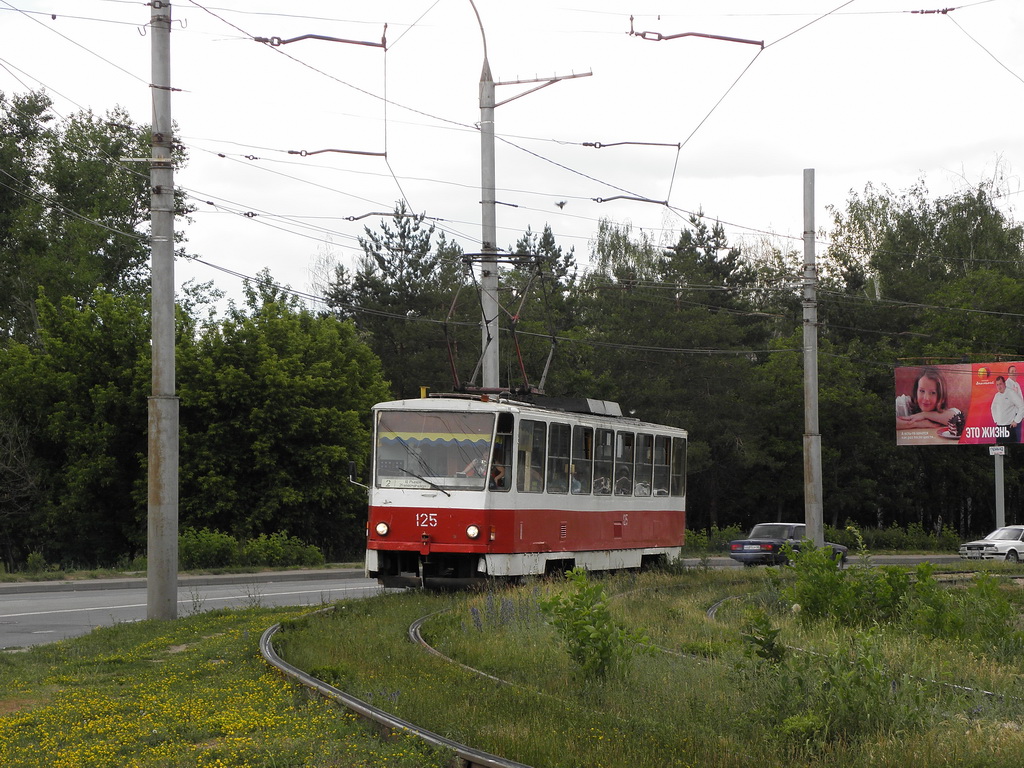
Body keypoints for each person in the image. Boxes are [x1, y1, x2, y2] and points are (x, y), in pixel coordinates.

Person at [896, 366, 961, 431]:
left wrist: (924, 415)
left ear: (941, 395)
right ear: (916, 391)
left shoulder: (945, 413)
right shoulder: (903, 404)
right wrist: (917, 424)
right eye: (922, 391)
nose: (926, 398)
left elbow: (958, 418)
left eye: (933, 393)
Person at [991, 375, 1023, 445]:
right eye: (997, 385)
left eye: (1000, 384)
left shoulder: (1011, 393)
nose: (999, 387)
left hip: (1009, 427)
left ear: (1004, 384)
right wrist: (996, 420)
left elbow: (1021, 406)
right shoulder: (997, 395)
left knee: (1011, 450)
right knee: (999, 448)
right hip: (1000, 428)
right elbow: (993, 407)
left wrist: (1016, 420)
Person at [1007, 365, 1024, 441]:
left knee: (1018, 438)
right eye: (1012, 371)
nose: (1014, 373)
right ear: (1008, 374)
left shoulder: (1016, 384)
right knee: (1013, 438)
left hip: (1018, 415)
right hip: (1012, 417)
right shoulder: (1007, 384)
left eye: (1015, 371)